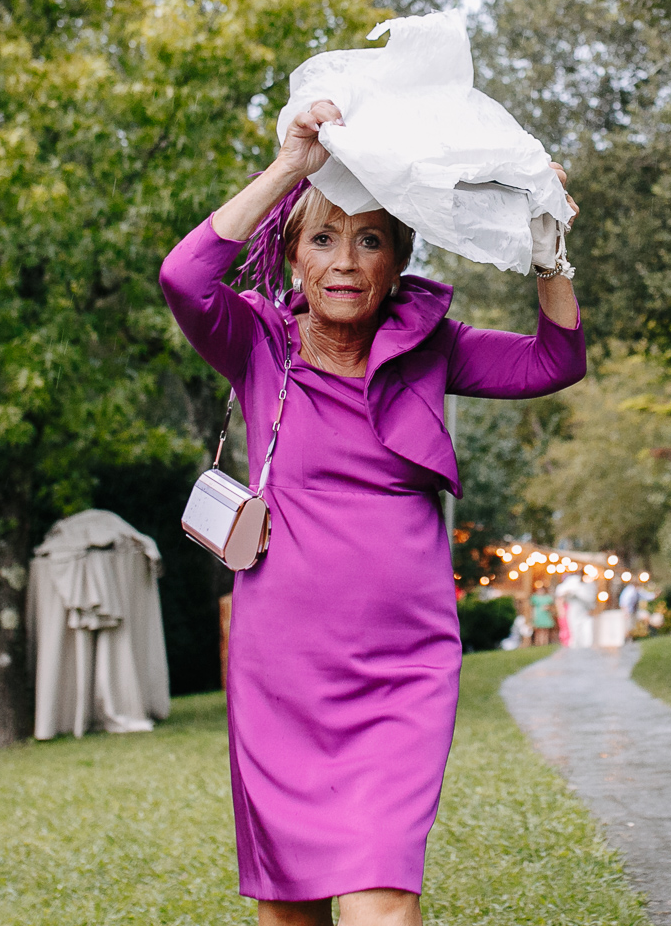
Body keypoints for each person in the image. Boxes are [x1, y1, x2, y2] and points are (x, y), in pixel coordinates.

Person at [160, 99, 585, 926]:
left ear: (397, 260)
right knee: (292, 911)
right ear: (292, 256)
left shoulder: (435, 345)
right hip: (282, 669)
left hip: (404, 669)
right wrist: (291, 166)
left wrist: (547, 249)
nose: (346, 262)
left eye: (370, 239)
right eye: (323, 238)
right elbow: (184, 275)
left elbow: (553, 360)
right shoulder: (257, 342)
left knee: (380, 901)